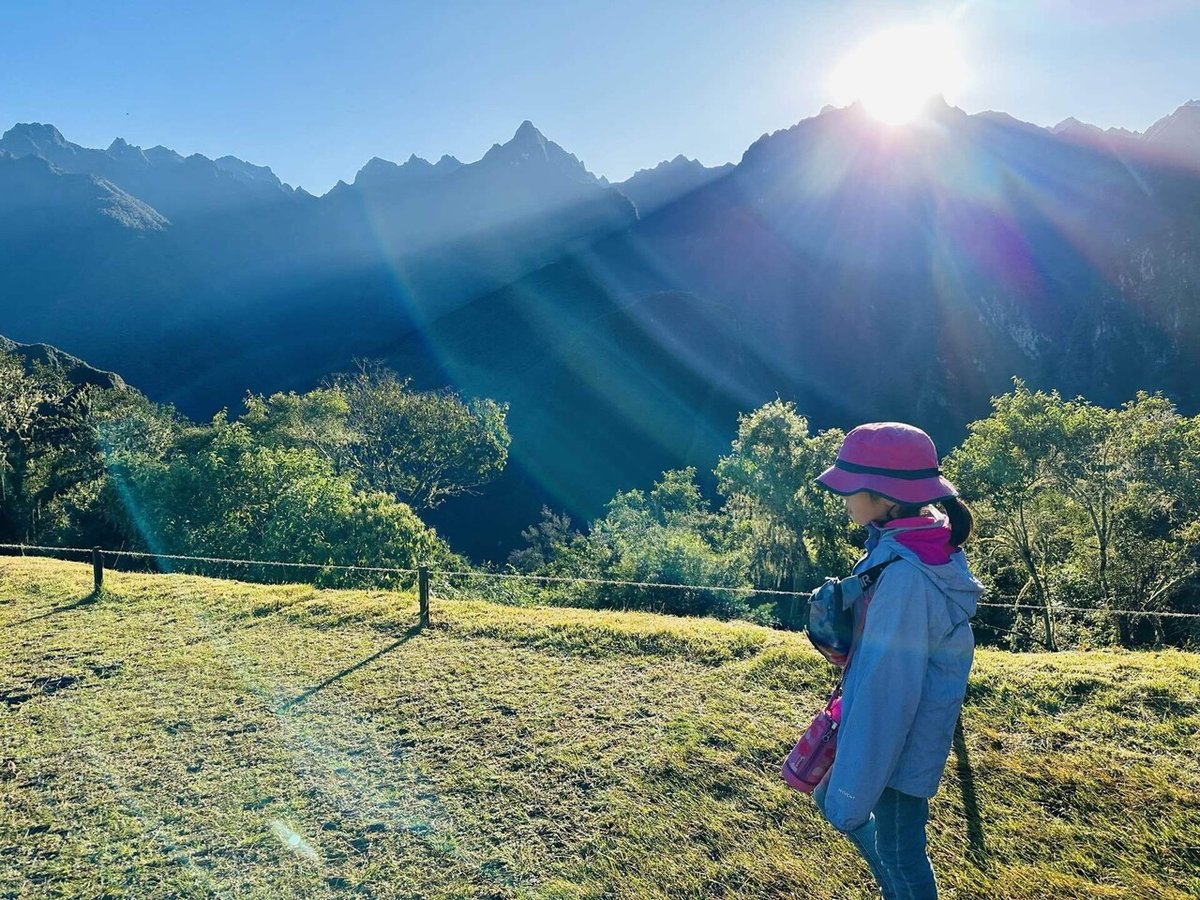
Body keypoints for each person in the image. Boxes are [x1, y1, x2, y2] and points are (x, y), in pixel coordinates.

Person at [811, 421, 982, 900]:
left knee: (901, 849)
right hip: (904, 732)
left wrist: (859, 773)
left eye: (851, 487)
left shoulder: (906, 580)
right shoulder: (912, 543)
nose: (842, 497)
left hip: (900, 743)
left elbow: (888, 690)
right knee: (880, 832)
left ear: (887, 498)